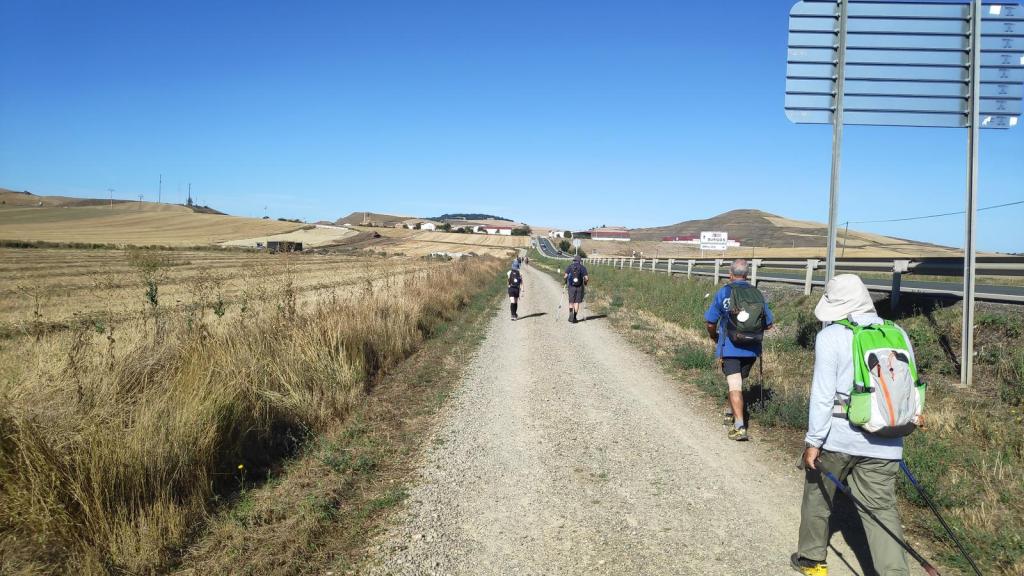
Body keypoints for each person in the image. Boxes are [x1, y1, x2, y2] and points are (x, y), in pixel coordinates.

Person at [792, 274, 916, 576]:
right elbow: (910, 384)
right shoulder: (896, 331)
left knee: (819, 493)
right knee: (881, 511)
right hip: (887, 437)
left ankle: (811, 559)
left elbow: (822, 394)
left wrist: (813, 442)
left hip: (839, 438)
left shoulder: (831, 336)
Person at [704, 259, 773, 441]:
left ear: (730, 274)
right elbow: (769, 323)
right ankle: (729, 412)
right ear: (747, 275)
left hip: (731, 347)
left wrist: (714, 336)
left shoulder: (725, 292)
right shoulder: (757, 294)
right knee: (736, 383)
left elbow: (711, 322)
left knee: (734, 385)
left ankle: (740, 426)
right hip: (751, 349)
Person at [563, 255, 588, 323]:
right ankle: (574, 317)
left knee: (571, 301)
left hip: (571, 286)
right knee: (577, 302)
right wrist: (585, 283)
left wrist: (565, 281)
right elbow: (586, 278)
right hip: (579, 287)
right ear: (580, 261)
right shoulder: (583, 267)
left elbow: (565, 276)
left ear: (574, 260)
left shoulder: (570, 266)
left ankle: (570, 313)